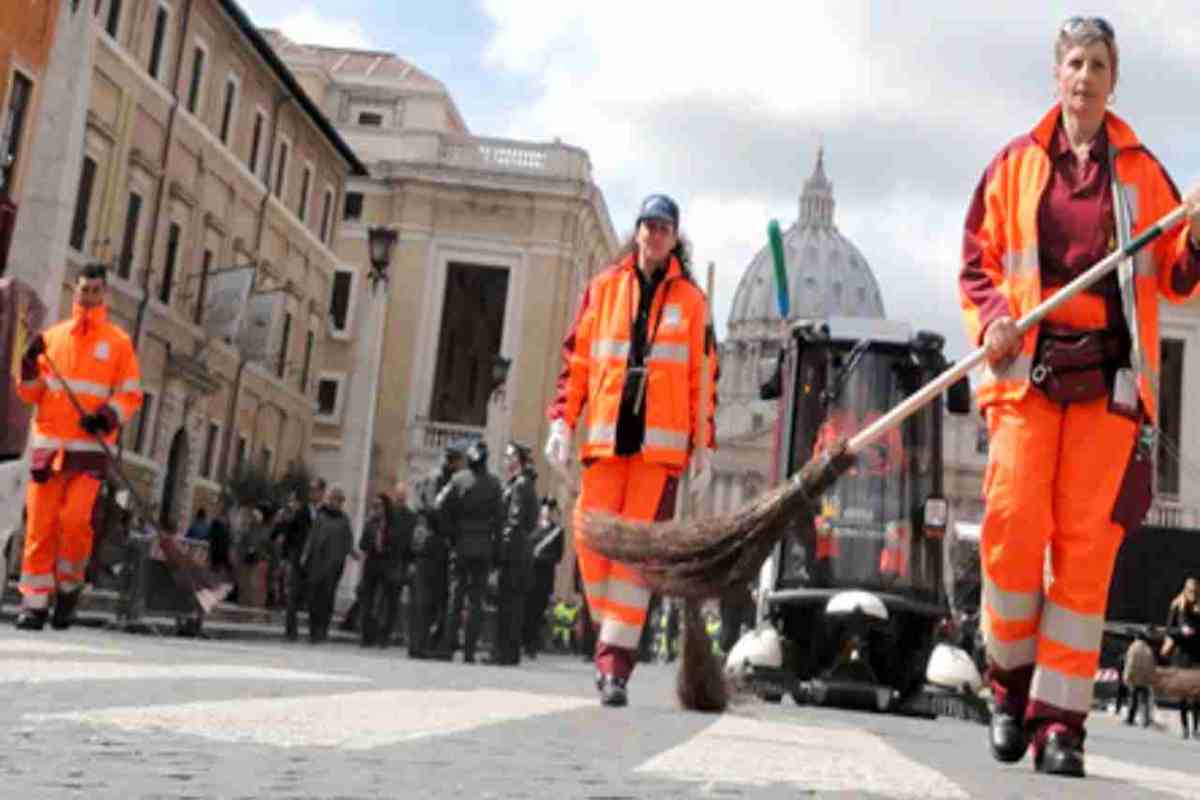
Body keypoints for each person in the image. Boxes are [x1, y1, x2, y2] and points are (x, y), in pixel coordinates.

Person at [959, 17, 1200, 777]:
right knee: (1011, 530)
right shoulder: (1014, 168)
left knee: (1085, 556)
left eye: (1098, 64)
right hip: (1027, 378)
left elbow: (1180, 275)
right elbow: (977, 263)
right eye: (1074, 62)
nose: (1085, 76)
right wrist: (995, 321)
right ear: (1056, 74)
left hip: (1106, 387)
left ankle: (1060, 724)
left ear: (1113, 77)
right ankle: (1009, 688)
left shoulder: (1142, 173)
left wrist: (1197, 233)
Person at [545, 192, 717, 706]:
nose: (655, 234)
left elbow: (701, 378)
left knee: (634, 567)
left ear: (674, 237)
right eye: (649, 225)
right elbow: (577, 362)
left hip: (656, 456)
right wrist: (561, 419)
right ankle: (605, 633)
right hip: (603, 440)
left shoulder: (692, 302)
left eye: (665, 227)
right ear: (638, 231)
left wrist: (702, 445)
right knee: (590, 544)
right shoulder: (602, 290)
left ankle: (614, 668)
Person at [13, 263, 143, 631]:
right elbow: (30, 394)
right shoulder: (52, 339)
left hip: (88, 450)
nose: (88, 297)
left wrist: (105, 417)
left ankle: (68, 590)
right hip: (48, 449)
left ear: (105, 295)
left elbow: (131, 394)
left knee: (73, 522)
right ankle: (34, 604)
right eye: (83, 290)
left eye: (95, 291)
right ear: (76, 291)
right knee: (39, 525)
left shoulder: (118, 343)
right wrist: (27, 364)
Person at [432, 440, 503, 663]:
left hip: (461, 544)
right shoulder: (494, 484)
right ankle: (470, 651)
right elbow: (500, 521)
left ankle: (447, 647)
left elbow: (439, 506)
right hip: (483, 546)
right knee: (476, 601)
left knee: (456, 598)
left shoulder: (458, 480)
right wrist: (496, 553)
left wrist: (450, 533)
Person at [408, 441, 464, 659]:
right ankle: (419, 645)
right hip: (434, 544)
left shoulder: (437, 478)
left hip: (432, 543)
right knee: (425, 597)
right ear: (454, 460)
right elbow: (434, 510)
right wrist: (452, 530)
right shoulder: (439, 480)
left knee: (431, 597)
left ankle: (423, 644)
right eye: (461, 461)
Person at [488, 442, 539, 666]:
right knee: (513, 605)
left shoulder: (520, 485)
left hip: (514, 555)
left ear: (518, 460)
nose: (506, 460)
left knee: (508, 605)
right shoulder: (525, 484)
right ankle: (509, 653)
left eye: (509, 456)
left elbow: (514, 523)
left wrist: (500, 555)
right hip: (521, 553)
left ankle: (503, 653)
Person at [359, 486, 416, 648]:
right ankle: (367, 636)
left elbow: (400, 543)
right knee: (368, 601)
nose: (377, 509)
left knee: (388, 603)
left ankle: (384, 636)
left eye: (379, 506)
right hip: (372, 565)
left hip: (389, 565)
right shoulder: (370, 523)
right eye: (375, 506)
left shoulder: (395, 523)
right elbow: (362, 544)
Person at [276, 477, 326, 641]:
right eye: (310, 489)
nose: (312, 493)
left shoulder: (325, 513)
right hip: (298, 559)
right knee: (293, 596)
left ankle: (314, 633)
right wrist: (284, 557)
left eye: (315, 490)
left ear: (321, 492)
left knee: (314, 598)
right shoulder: (301, 511)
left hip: (316, 561)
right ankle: (291, 632)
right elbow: (289, 534)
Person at [303, 485, 354, 644]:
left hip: (333, 566)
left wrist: (351, 553)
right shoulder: (321, 516)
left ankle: (321, 630)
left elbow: (348, 541)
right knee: (313, 598)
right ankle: (313, 630)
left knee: (327, 599)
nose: (335, 502)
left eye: (338, 500)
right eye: (333, 499)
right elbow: (312, 537)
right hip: (317, 563)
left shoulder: (344, 520)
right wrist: (306, 555)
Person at [523, 498, 565, 658]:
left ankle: (532, 645)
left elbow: (558, 556)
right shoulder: (533, 528)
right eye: (545, 508)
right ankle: (523, 641)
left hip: (544, 577)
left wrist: (540, 558)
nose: (547, 512)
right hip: (529, 575)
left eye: (550, 509)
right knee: (525, 610)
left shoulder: (557, 532)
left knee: (537, 612)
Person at [1166, 578, 1200, 738]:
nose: (1193, 594)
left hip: (1197, 656)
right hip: (1181, 655)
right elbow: (1169, 630)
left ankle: (1196, 728)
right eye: (1190, 590)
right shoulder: (1176, 606)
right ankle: (1185, 728)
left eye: (1196, 591)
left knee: (1196, 695)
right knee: (1183, 696)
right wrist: (1181, 631)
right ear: (1185, 590)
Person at [1121, 631, 1157, 728]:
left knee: (1133, 699)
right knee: (1144, 700)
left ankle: (1130, 718)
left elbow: (1130, 664)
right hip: (1145, 678)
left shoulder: (1133, 648)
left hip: (1134, 677)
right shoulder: (1148, 649)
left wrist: (1126, 676)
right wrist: (1152, 677)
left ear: (1136, 638)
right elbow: (1152, 665)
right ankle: (1145, 720)